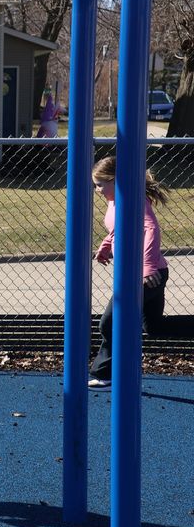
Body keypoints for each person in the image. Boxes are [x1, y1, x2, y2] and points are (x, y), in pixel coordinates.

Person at [88, 156, 169, 391]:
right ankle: (106, 374)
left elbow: (151, 229)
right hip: (145, 274)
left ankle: (103, 375)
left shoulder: (133, 199)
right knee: (155, 328)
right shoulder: (114, 202)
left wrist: (147, 267)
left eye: (100, 184)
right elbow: (117, 228)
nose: (97, 189)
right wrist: (105, 246)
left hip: (147, 276)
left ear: (116, 180)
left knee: (109, 323)